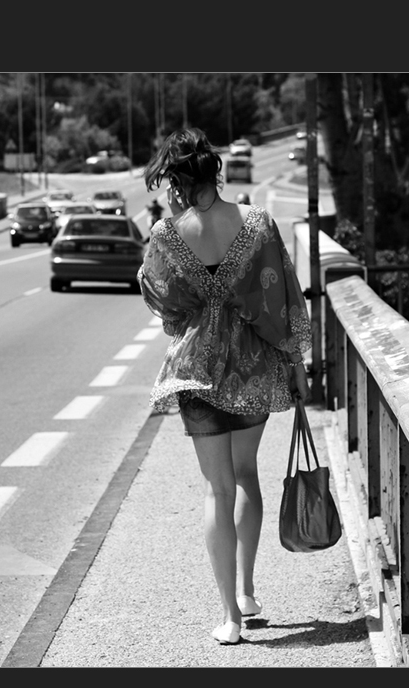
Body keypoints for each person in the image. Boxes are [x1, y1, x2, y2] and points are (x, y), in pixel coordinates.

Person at [137, 127, 311, 646]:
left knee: (215, 489)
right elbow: (283, 298)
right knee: (245, 477)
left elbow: (161, 302)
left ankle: (230, 617)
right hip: (255, 367)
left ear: (177, 178)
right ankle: (251, 590)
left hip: (196, 371)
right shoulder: (257, 223)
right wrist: (296, 360)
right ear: (214, 169)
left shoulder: (168, 235)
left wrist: (196, 311)